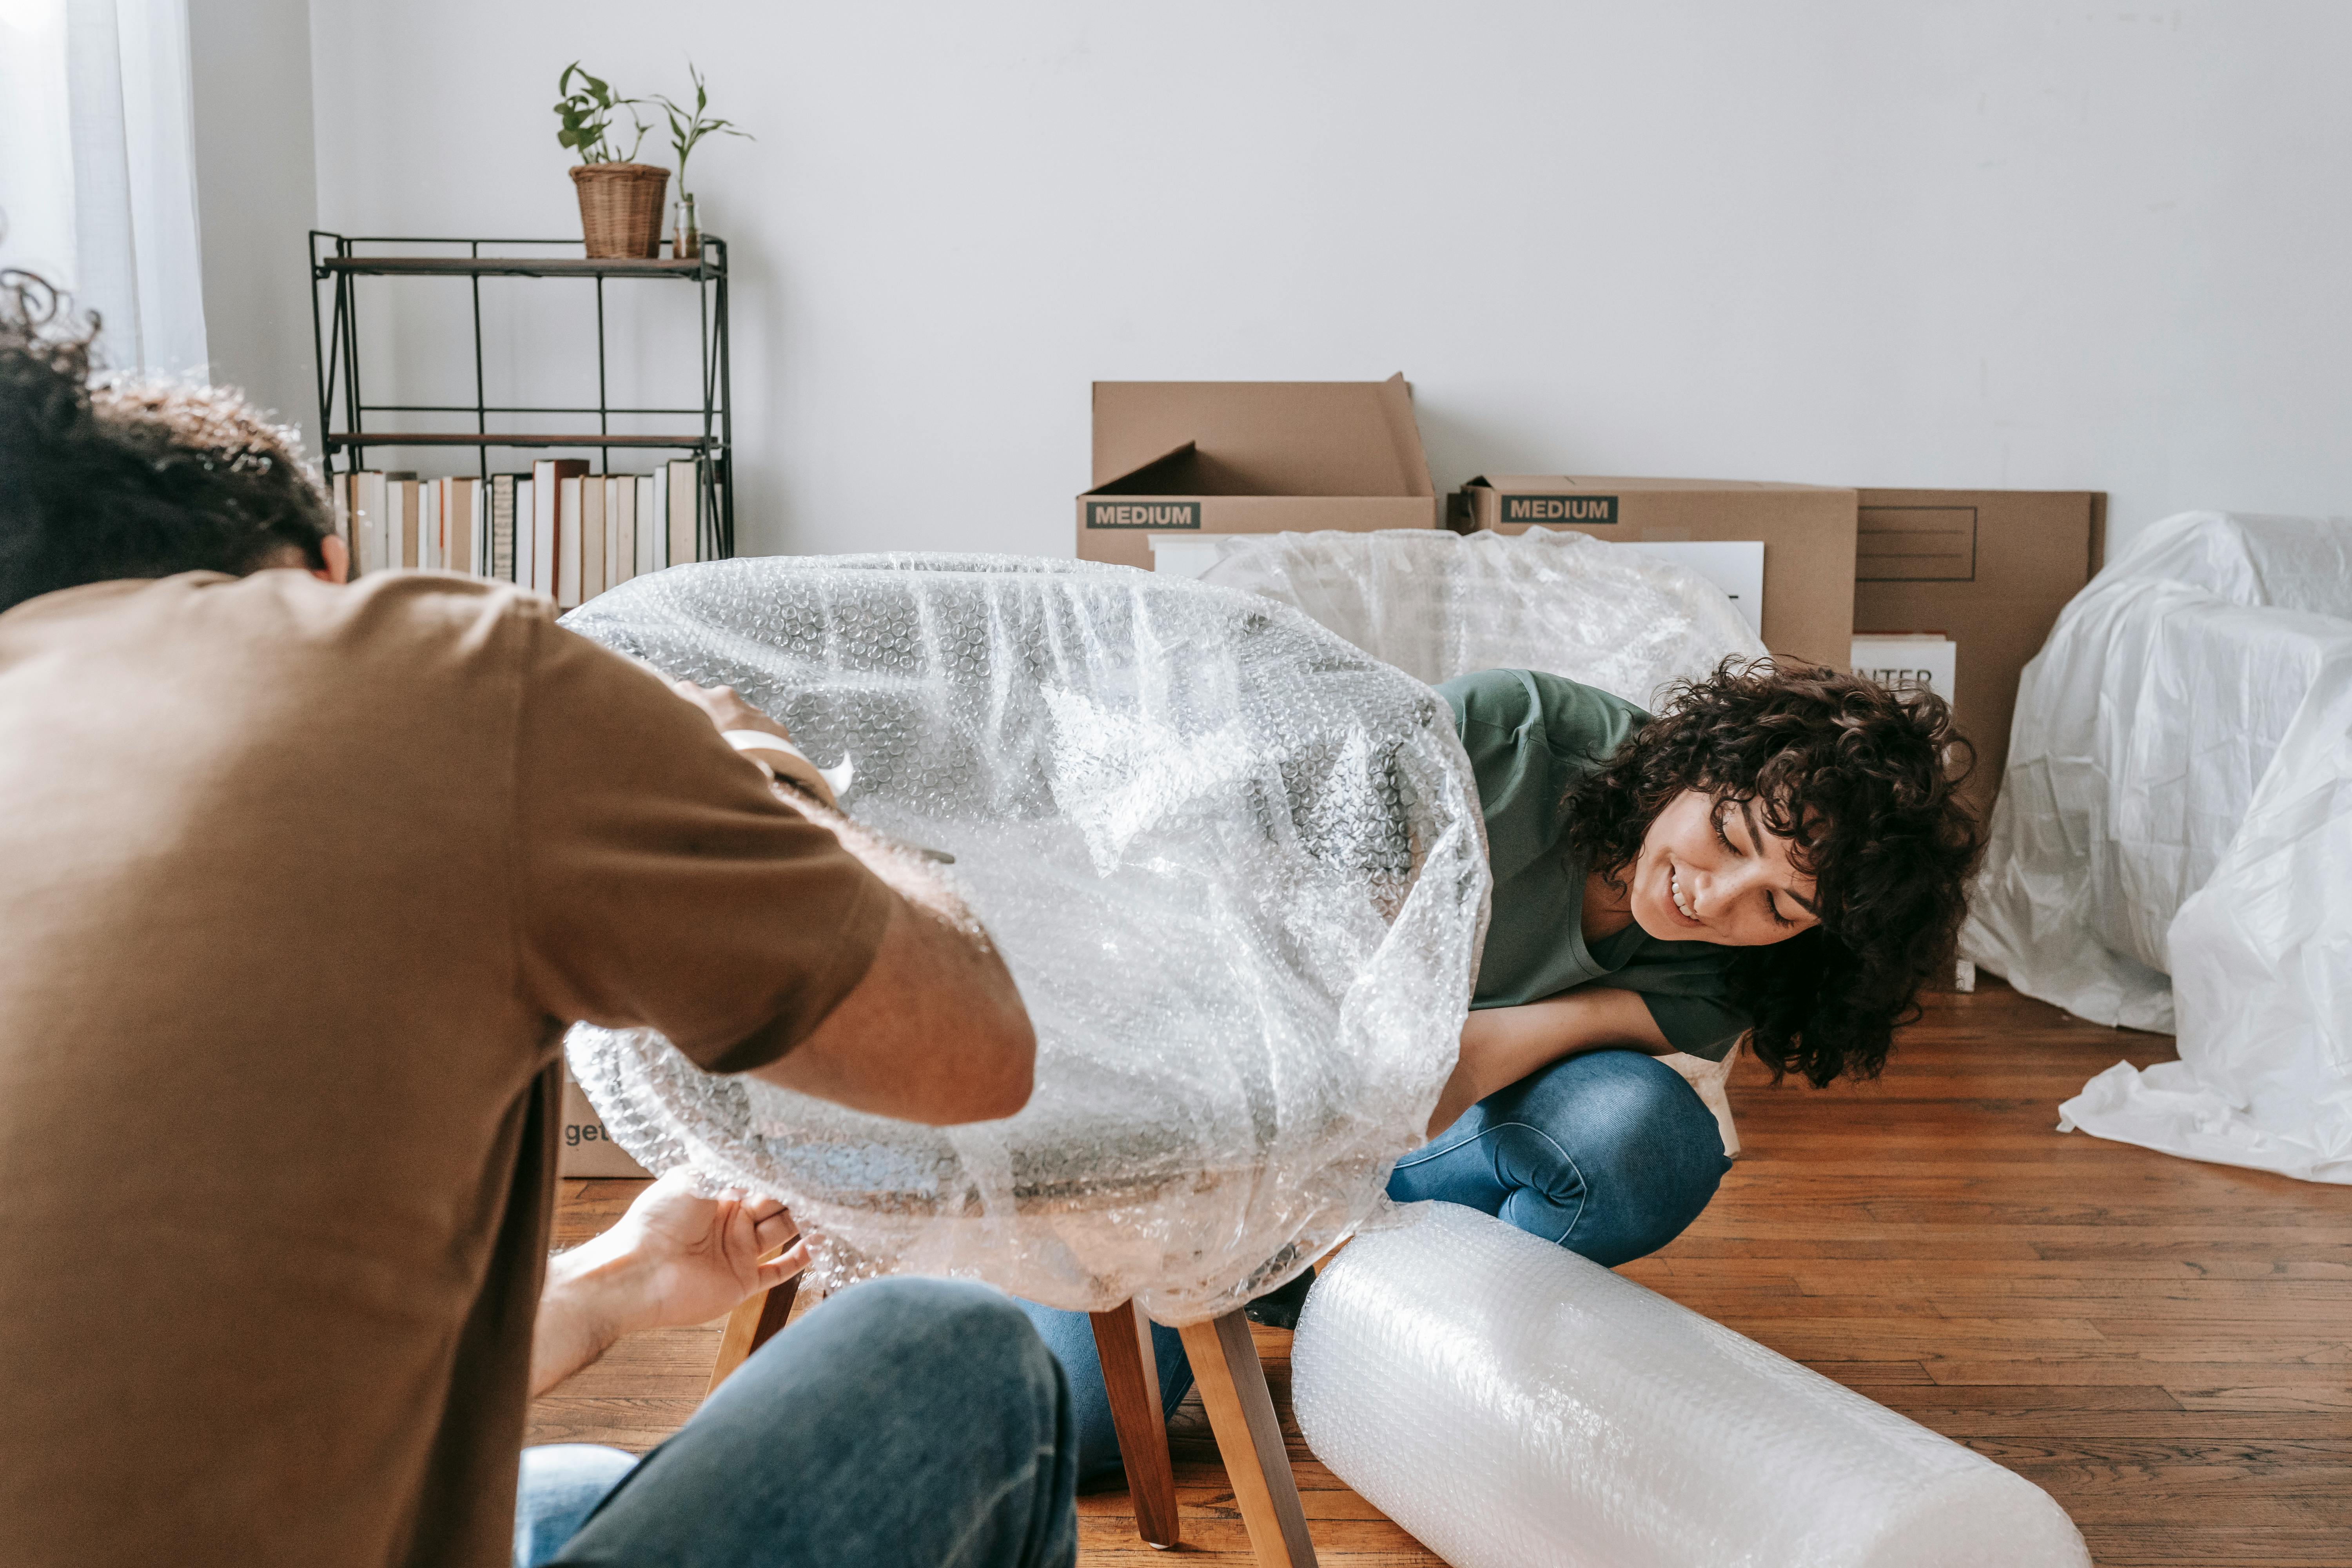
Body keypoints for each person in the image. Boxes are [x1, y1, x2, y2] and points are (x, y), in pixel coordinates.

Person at [0, 267, 1076, 1568]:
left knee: (561, 1487)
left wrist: (617, 1288)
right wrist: (758, 771)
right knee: (950, 1353)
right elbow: (974, 1051)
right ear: (325, 570)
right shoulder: (425, 669)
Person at [1026, 661, 1984, 1487]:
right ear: (1704, 765)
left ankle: (1377, 1329)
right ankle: (1265, 1282)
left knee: (1644, 1134)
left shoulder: (1745, 966)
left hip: (1418, 1153)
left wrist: (1395, 1103)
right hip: (1238, 1109)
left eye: (1780, 903)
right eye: (1731, 839)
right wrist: (1230, 1176)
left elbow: (1475, 1057)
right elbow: (1253, 931)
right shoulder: (1505, 735)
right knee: (1070, 1437)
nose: (1716, 899)